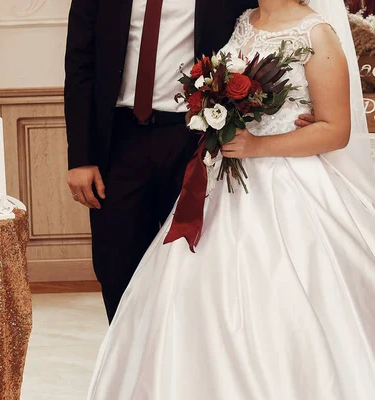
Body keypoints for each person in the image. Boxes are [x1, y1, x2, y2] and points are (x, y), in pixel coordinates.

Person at [87, 0, 375, 398]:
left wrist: (260, 145)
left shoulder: (316, 33)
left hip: (286, 184)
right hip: (224, 180)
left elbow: (336, 130)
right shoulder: (244, 20)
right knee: (194, 295)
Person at [63, 0, 316, 323]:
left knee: (192, 268)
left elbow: (270, 25)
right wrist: (81, 157)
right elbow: (80, 65)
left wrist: (301, 106)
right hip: (119, 140)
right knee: (116, 266)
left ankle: (180, 367)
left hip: (196, 139)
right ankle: (128, 368)